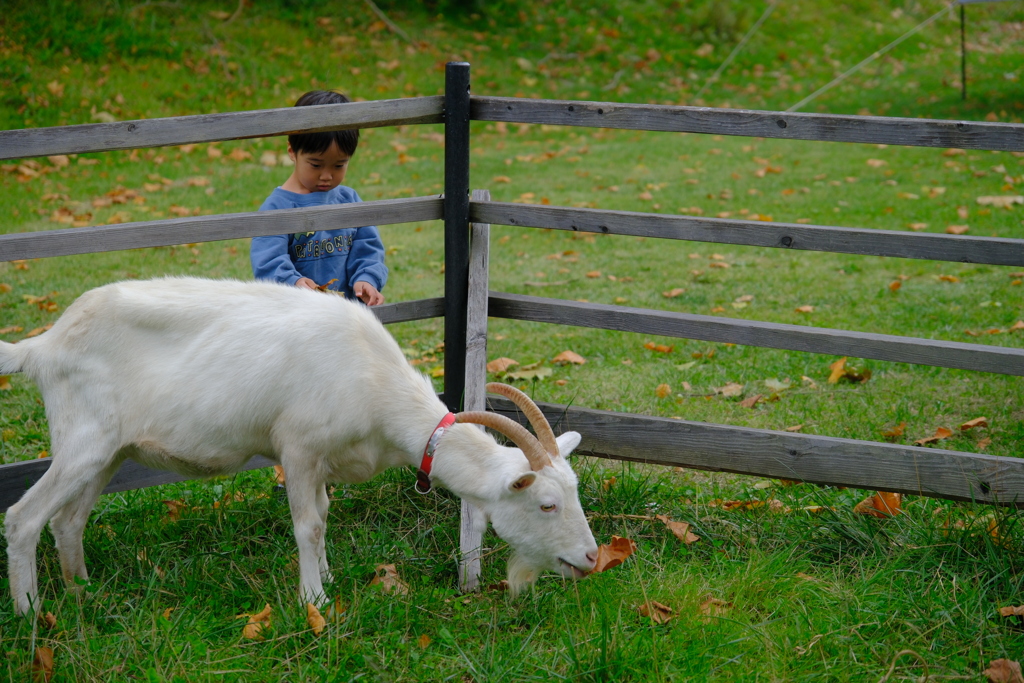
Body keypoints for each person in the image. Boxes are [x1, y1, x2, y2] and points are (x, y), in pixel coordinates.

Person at [251, 90, 387, 306]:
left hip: (346, 316)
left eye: (339, 165)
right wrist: (294, 282)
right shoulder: (278, 207)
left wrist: (367, 278)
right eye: (315, 165)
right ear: (292, 151)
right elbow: (267, 261)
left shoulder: (348, 199)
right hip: (296, 315)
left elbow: (368, 248)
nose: (327, 176)